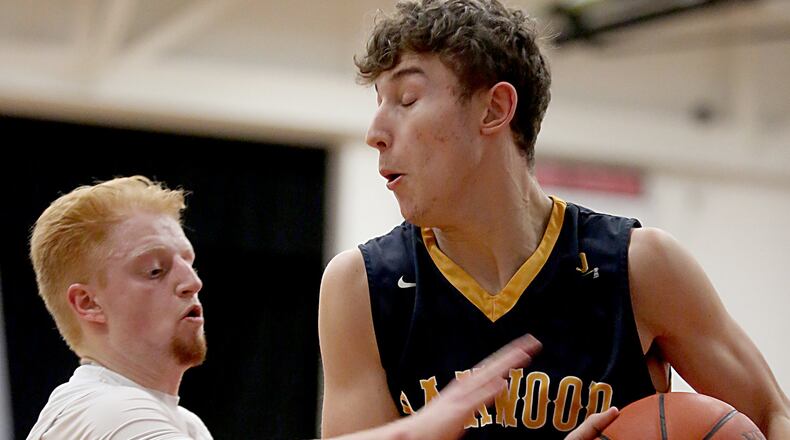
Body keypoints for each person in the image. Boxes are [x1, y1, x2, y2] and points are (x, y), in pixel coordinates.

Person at [318, 0, 790, 439]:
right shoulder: (361, 288)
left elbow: (774, 416)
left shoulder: (640, 267)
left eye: (406, 99)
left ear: (495, 109)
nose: (375, 133)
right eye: (378, 102)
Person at [26, 176, 614, 440]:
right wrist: (414, 434)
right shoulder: (110, 415)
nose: (190, 282)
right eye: (155, 270)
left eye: (188, 261)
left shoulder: (174, 422)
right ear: (88, 304)